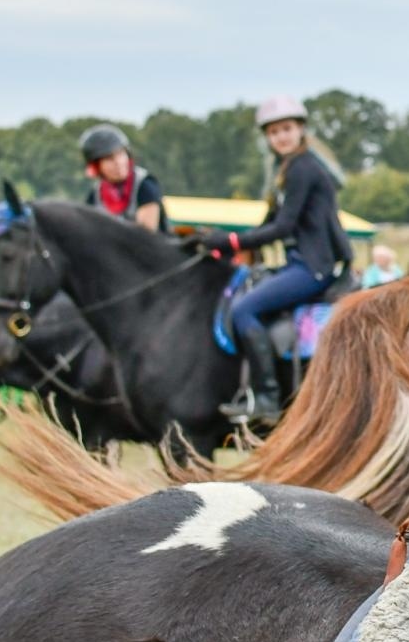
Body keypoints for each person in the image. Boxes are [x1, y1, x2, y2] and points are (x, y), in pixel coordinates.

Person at [193, 96, 353, 422]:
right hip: (301, 263)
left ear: (300, 130)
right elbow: (268, 223)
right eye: (275, 131)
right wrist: (222, 242)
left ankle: (266, 397)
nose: (281, 136)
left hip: (312, 268)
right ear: (267, 137)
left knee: (243, 309)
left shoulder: (303, 168)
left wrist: (232, 240)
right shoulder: (287, 169)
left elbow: (283, 227)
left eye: (287, 129)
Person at [79, 124, 169, 233]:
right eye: (109, 158)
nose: (118, 162)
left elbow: (146, 235)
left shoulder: (145, 184)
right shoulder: (95, 195)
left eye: (121, 154)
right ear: (97, 166)